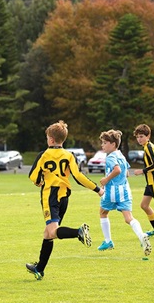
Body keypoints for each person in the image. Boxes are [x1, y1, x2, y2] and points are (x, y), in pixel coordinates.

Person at [26, 120, 104, 280]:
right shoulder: (69, 155)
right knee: (48, 233)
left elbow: (33, 176)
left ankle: (79, 232)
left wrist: (39, 181)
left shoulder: (44, 155)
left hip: (50, 196)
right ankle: (39, 268)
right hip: (64, 196)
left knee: (53, 231)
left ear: (51, 139)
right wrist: (96, 188)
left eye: (47, 137)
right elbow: (78, 176)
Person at [97, 130, 151, 256]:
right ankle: (141, 236)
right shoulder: (120, 155)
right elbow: (126, 172)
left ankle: (108, 241)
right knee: (128, 218)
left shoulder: (110, 157)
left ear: (113, 144)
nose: (102, 145)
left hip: (112, 191)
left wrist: (106, 179)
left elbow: (117, 170)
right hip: (125, 190)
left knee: (103, 212)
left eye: (105, 143)